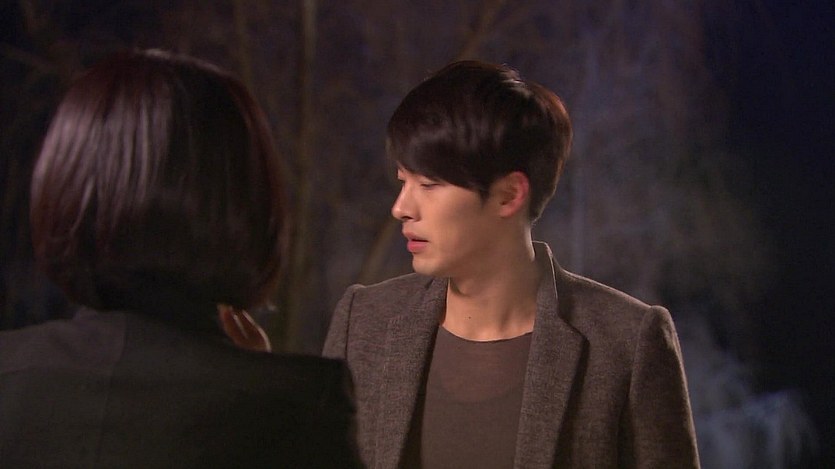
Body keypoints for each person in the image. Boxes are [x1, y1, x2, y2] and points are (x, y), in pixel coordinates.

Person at [323, 60, 700, 468]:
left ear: (509, 194)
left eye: (429, 185)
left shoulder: (626, 344)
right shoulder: (364, 323)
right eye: (403, 181)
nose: (401, 208)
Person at [0, 50, 361, 468]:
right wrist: (258, 384)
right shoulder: (299, 405)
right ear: (245, 199)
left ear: (66, 182)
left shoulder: (13, 378)